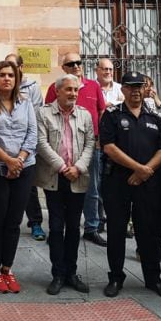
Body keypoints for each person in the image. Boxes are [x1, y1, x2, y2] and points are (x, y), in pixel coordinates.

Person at [99, 71, 161, 299]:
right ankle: (115, 277)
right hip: (118, 182)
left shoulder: (155, 117)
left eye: (139, 86)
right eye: (130, 86)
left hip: (147, 183)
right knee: (117, 231)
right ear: (123, 90)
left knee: (148, 231)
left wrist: (144, 171)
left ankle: (153, 279)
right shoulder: (111, 115)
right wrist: (137, 169)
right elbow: (108, 147)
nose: (135, 91)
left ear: (145, 88)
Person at [0, 60, 37, 294]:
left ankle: (7, 267)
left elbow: (33, 133)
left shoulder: (25, 103)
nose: (6, 79)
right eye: (2, 75)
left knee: (14, 220)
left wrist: (20, 160)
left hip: (25, 167)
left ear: (16, 79)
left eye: (11, 76)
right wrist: (8, 160)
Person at [35, 74, 94, 296]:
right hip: (55, 177)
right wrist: (62, 167)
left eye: (75, 90)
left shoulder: (85, 115)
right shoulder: (43, 113)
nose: (73, 94)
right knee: (57, 227)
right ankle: (58, 274)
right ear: (57, 91)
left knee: (73, 227)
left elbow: (90, 143)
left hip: (77, 176)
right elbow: (41, 143)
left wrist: (78, 168)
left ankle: (72, 272)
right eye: (68, 89)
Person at [45, 53, 107, 247]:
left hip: (91, 145)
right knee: (60, 191)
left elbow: (101, 111)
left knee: (92, 189)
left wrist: (99, 139)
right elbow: (47, 111)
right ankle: (58, 229)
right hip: (62, 147)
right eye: (71, 63)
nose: (76, 66)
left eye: (78, 62)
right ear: (63, 67)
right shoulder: (55, 87)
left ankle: (91, 228)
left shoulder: (93, 86)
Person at [7, 52, 47, 243]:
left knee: (29, 187)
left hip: (27, 147)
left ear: (21, 68)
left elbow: (37, 116)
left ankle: (35, 221)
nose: (8, 71)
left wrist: (27, 149)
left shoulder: (31, 87)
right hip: (6, 148)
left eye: (12, 66)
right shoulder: (3, 85)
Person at [140, 74, 161, 266]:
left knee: (159, 204)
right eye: (143, 85)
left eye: (149, 85)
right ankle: (142, 246)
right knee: (142, 206)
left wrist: (157, 100)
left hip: (160, 159)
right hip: (141, 161)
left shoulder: (156, 104)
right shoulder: (133, 105)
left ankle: (158, 245)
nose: (146, 89)